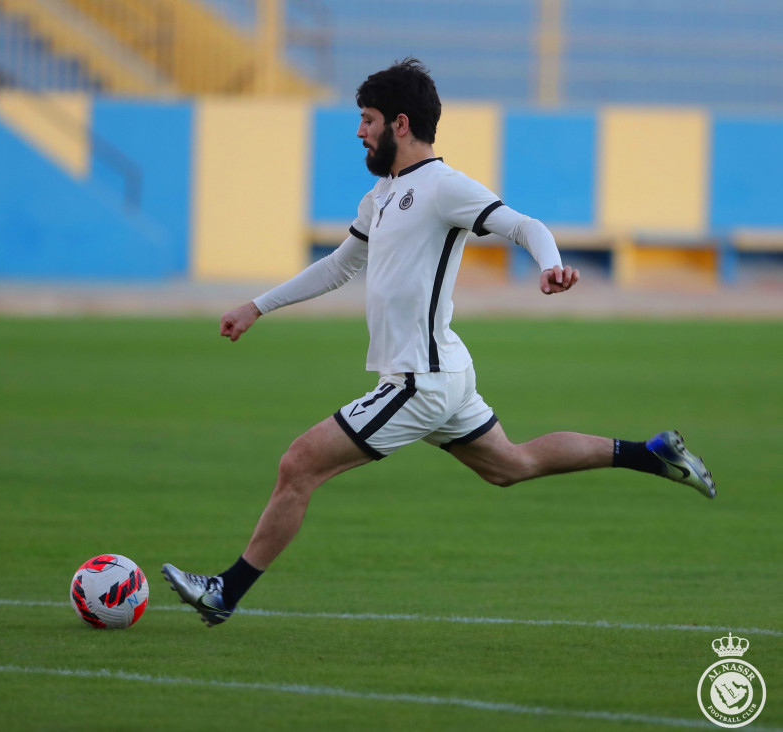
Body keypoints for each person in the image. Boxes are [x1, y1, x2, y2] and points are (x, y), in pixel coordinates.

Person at [162, 58, 715, 627]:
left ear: (400, 124)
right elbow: (338, 266)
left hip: (420, 381)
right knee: (512, 464)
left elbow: (527, 226)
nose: (360, 132)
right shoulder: (381, 194)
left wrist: (550, 266)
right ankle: (651, 455)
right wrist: (257, 306)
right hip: (444, 373)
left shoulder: (443, 186)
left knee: (298, 464)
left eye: (367, 120)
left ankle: (224, 591)